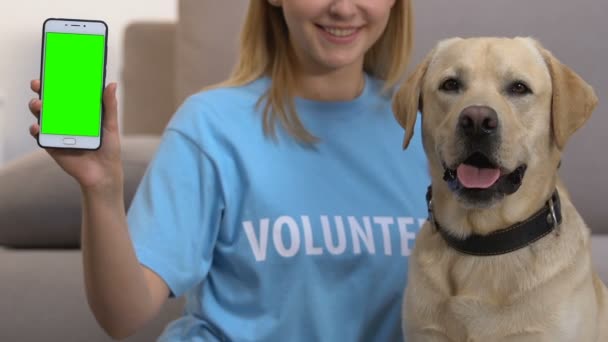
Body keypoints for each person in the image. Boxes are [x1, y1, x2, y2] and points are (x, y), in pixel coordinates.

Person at [28, 0, 429, 340]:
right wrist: (100, 189)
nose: (343, 8)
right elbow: (123, 315)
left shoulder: (428, 129)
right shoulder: (209, 125)